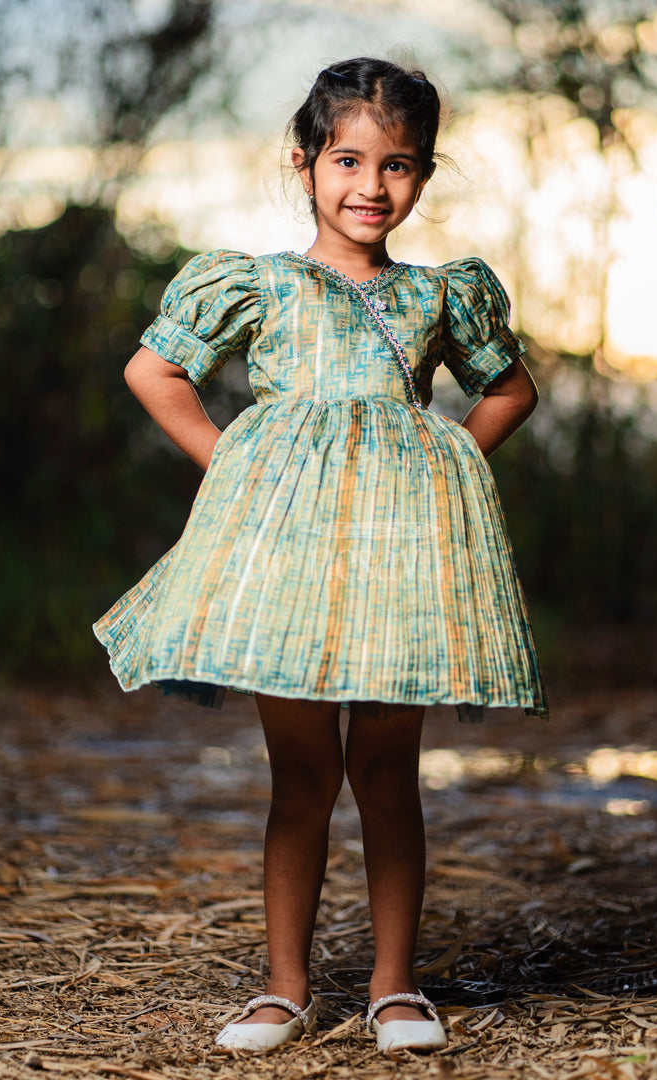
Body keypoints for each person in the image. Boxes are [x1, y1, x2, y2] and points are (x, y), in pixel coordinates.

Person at [93, 56, 548, 1055]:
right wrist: (230, 465)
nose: (371, 187)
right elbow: (154, 369)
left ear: (423, 177)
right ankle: (285, 988)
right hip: (286, 565)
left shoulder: (440, 295)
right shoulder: (260, 284)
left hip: (400, 563)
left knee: (387, 771)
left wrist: (445, 464)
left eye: (399, 167)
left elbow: (510, 389)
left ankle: (394, 988)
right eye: (349, 160)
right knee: (300, 776)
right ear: (304, 163)